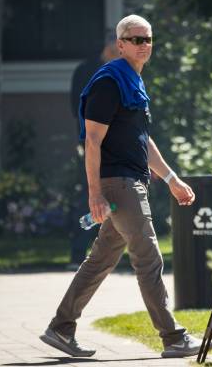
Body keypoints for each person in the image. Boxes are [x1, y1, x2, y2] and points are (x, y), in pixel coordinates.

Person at [40, 14, 212, 359]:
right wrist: (95, 193)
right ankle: (173, 337)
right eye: (136, 39)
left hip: (130, 181)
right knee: (149, 258)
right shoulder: (109, 82)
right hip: (119, 184)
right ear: (120, 45)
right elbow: (92, 140)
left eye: (148, 39)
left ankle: (60, 328)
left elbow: (142, 140)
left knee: (99, 261)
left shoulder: (132, 82)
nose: (143, 45)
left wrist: (171, 178)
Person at [68, 39, 118, 268]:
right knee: (92, 195)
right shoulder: (95, 74)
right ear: (108, 50)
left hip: (103, 143)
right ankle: (79, 251)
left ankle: (93, 253)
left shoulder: (107, 72)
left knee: (110, 197)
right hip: (96, 143)